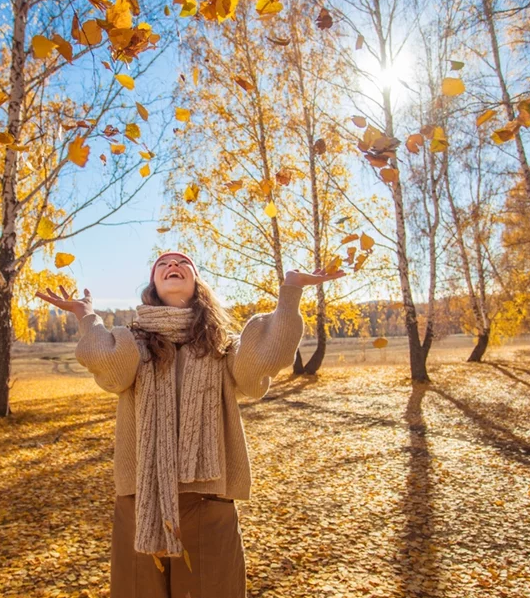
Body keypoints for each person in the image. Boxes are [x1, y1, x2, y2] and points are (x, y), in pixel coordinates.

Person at [35, 251, 344, 598]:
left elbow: (264, 360)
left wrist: (290, 291)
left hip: (207, 500)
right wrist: (85, 316)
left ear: (197, 282)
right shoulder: (132, 343)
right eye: (163, 264)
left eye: (183, 264)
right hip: (141, 499)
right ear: (152, 285)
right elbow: (110, 368)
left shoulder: (221, 346)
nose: (173, 267)